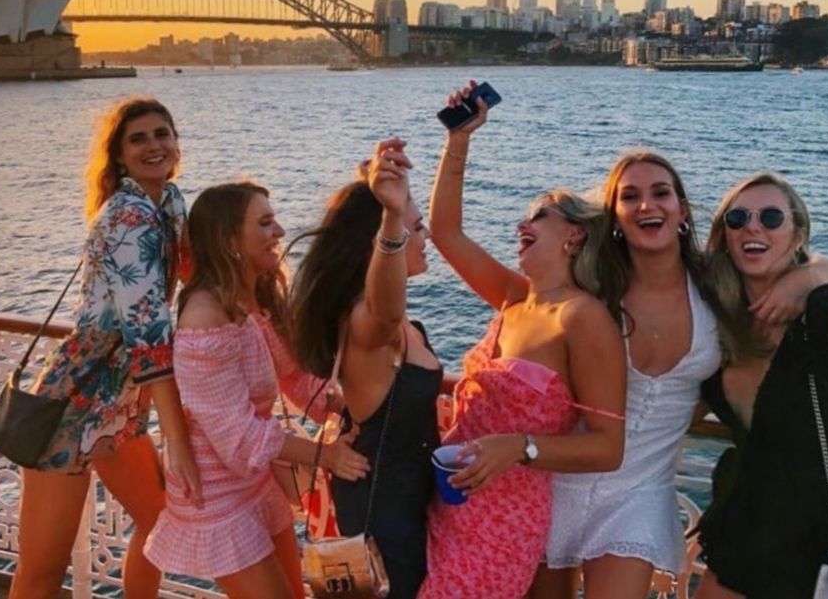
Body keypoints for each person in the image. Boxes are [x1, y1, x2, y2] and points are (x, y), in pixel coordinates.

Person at [533, 152, 828, 599]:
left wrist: (810, 276)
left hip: (644, 496)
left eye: (661, 193)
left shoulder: (714, 285)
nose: (648, 205)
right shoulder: (592, 284)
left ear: (682, 210)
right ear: (615, 217)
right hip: (561, 476)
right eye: (630, 196)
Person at [419, 83, 627, 599]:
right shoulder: (516, 298)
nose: (520, 225)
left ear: (574, 235)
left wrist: (520, 448)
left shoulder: (582, 319)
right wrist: (459, 140)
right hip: (449, 500)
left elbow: (608, 447)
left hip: (504, 522)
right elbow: (446, 232)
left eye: (537, 216)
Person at [10, 97, 202, 599]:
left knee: (160, 522)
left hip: (121, 400)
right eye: (138, 138)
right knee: (42, 572)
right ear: (118, 156)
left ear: (177, 144)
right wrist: (177, 437)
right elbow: (148, 332)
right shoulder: (129, 219)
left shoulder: (170, 203)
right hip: (75, 403)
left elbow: (195, 278)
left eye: (163, 133)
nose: (154, 145)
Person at [144, 182, 369, 599]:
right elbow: (239, 436)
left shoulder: (251, 300)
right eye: (265, 223)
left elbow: (296, 379)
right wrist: (327, 456)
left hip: (252, 482)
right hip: (216, 497)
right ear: (230, 240)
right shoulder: (205, 322)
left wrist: (356, 407)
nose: (280, 231)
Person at [694, 173, 828, 599]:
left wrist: (818, 274)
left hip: (820, 531)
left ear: (798, 235)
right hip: (746, 520)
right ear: (725, 237)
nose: (753, 227)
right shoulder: (716, 318)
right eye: (738, 218)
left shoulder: (820, 313)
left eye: (771, 217)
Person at [289, 138, 444, 599]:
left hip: (407, 499)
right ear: (377, 244)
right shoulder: (369, 325)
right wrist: (393, 217)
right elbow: (384, 309)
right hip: (384, 517)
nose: (426, 235)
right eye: (418, 227)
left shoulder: (405, 328)